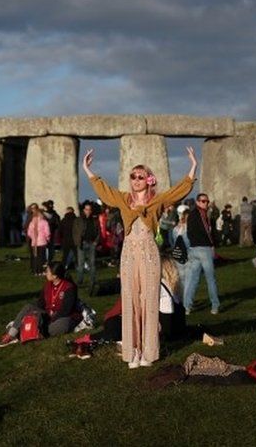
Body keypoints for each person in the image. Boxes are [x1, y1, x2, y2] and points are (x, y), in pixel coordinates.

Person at [82, 146, 197, 369]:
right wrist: (87, 168)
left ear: (149, 180)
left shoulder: (158, 201)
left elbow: (179, 191)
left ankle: (148, 351)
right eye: (132, 176)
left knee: (149, 301)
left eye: (140, 176)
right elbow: (104, 191)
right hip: (128, 255)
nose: (135, 180)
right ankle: (132, 351)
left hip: (149, 254)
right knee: (130, 300)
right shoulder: (124, 199)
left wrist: (193, 167)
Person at [0, 263, 82, 347]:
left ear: (55, 276)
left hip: (62, 317)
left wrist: (51, 319)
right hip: (48, 315)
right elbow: (40, 303)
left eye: (48, 271)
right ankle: (11, 334)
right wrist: (36, 313)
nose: (45, 273)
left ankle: (26, 331)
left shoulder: (69, 287)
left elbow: (65, 310)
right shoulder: (48, 285)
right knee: (28, 307)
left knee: (60, 326)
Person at [185, 192, 221, 315]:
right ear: (197, 202)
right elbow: (207, 231)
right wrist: (212, 245)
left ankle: (187, 307)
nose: (205, 203)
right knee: (210, 279)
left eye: (207, 201)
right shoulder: (202, 214)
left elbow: (189, 232)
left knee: (193, 279)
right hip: (203, 249)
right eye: (203, 201)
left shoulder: (191, 215)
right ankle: (215, 305)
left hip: (193, 249)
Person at [73, 202, 100, 287]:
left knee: (92, 263)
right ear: (84, 210)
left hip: (92, 243)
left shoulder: (95, 220)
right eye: (86, 209)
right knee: (80, 264)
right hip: (82, 243)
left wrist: (96, 241)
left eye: (89, 209)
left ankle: (93, 281)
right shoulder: (78, 220)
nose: (88, 211)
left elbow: (98, 232)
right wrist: (77, 242)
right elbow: (74, 232)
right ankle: (80, 281)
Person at [26, 203, 50, 276]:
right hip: (42, 242)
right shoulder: (44, 222)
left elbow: (29, 232)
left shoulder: (32, 222)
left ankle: (35, 271)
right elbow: (47, 232)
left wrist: (33, 238)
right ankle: (41, 271)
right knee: (42, 257)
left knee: (35, 257)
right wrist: (47, 238)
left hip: (34, 242)